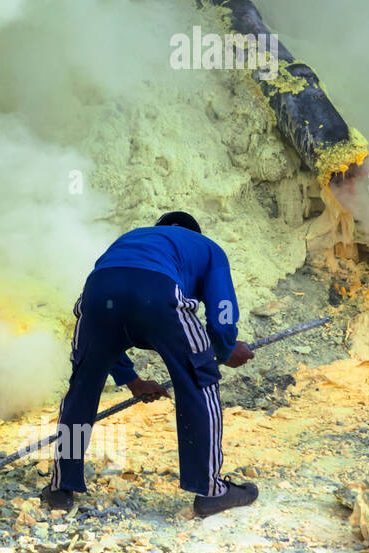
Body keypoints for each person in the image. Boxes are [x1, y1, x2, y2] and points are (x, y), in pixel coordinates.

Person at [42, 211, 257, 518]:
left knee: (82, 389)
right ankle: (211, 492)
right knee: (199, 381)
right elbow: (222, 310)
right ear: (194, 233)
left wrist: (133, 381)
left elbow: (114, 314)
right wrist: (224, 350)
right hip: (158, 294)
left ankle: (61, 488)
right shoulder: (207, 247)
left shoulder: (131, 239)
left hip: (96, 294)